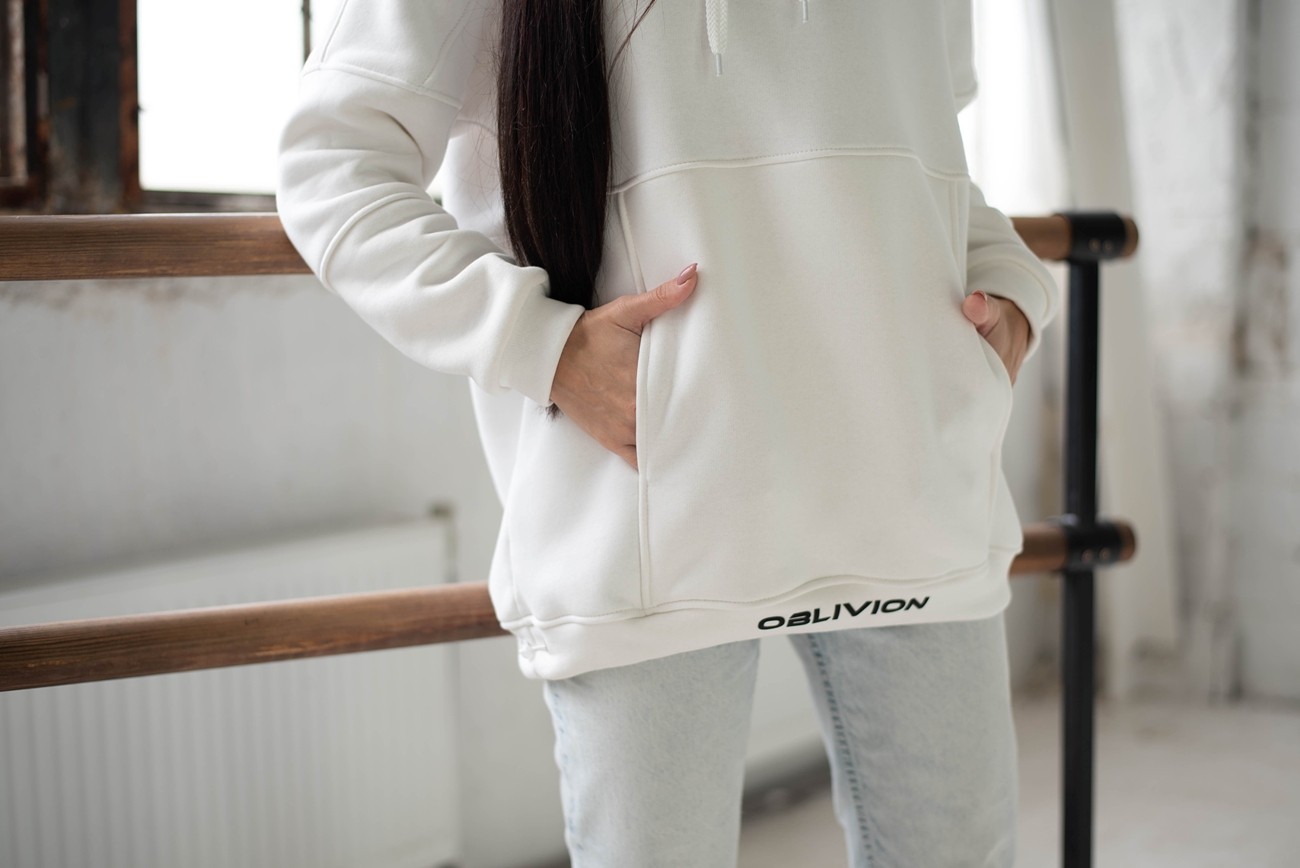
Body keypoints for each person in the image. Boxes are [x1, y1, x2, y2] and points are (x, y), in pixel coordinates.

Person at [277, 1, 1061, 864]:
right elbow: (333, 164)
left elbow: (920, 157)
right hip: (648, 514)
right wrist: (542, 343)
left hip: (914, 492)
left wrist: (1010, 280)